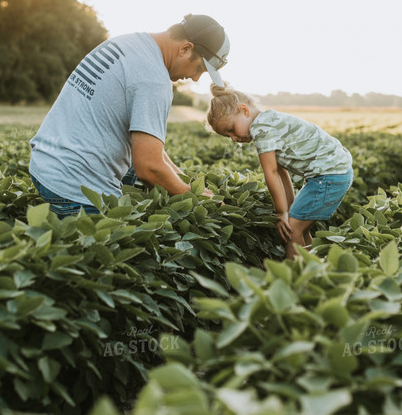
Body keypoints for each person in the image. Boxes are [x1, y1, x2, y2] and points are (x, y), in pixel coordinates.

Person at [29, 14, 230, 217]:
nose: (195, 78)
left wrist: (183, 181)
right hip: (72, 188)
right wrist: (197, 199)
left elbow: (149, 148)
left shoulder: (130, 42)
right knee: (126, 243)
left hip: (45, 165)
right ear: (185, 48)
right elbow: (148, 167)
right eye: (199, 68)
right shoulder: (154, 81)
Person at [207, 84, 353, 259]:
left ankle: (294, 281)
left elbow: (272, 173)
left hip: (330, 175)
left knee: (292, 230)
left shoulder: (261, 129)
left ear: (244, 110)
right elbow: (282, 172)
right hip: (334, 172)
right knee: (299, 228)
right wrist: (288, 208)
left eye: (231, 129)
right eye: (227, 136)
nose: (233, 138)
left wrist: (281, 213)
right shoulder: (269, 121)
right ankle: (313, 272)